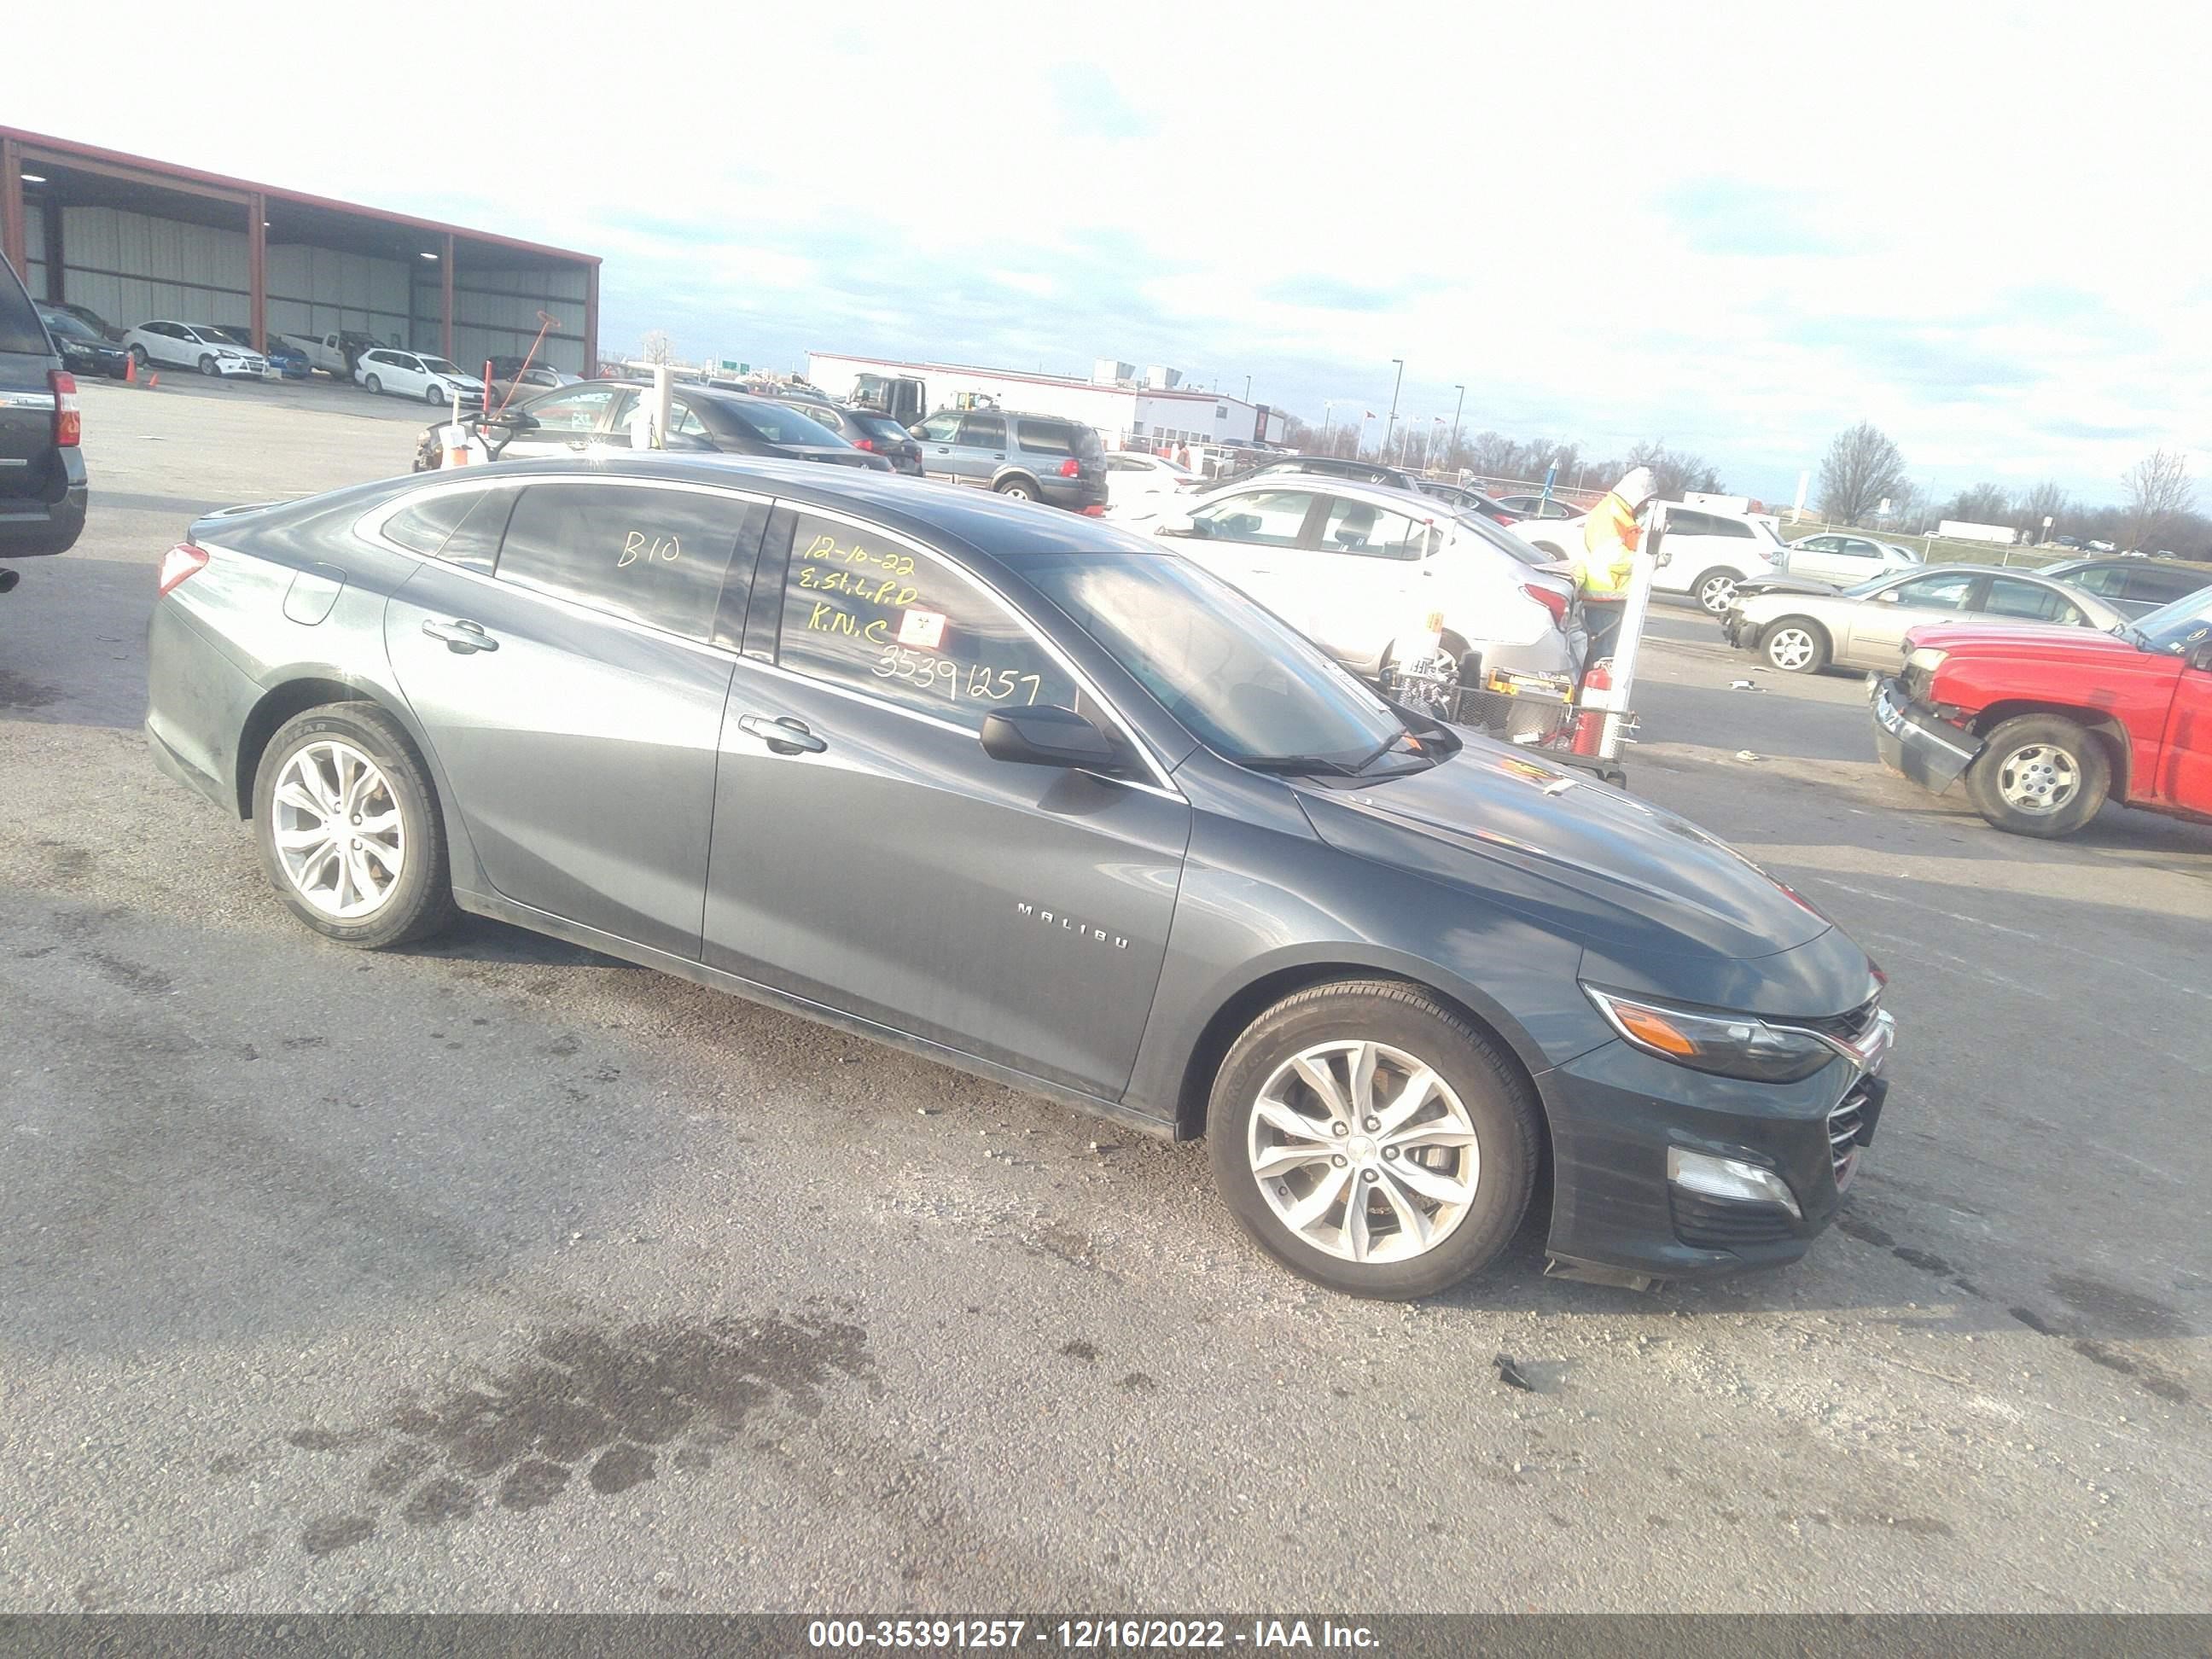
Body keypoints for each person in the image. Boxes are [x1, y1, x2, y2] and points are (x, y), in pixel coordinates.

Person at [1572, 465, 1657, 668]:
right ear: (1637, 495)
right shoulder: (1610, 514)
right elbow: (1613, 558)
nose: (1645, 506)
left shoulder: (1618, 512)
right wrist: (1647, 561)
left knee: (1602, 656)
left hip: (1609, 596)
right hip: (1604, 596)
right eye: (1645, 500)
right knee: (1603, 659)